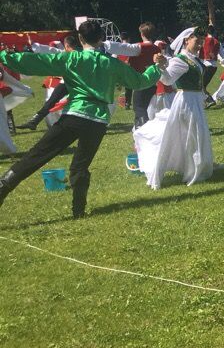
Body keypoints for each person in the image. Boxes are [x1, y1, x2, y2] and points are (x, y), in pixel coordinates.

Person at [0, 21, 162, 218]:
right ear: (102, 38)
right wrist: (156, 67)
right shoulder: (112, 64)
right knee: (80, 165)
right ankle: (78, 210)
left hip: (74, 116)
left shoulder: (72, 59)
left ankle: (3, 186)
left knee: (36, 155)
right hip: (97, 121)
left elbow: (36, 62)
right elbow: (140, 81)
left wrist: (5, 56)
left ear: (80, 38)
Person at [133, 27, 216, 190]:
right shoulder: (181, 59)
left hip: (194, 100)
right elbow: (168, 80)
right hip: (186, 102)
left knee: (194, 135)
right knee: (192, 135)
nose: (199, 45)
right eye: (196, 41)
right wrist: (161, 67)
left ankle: (195, 167)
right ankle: (193, 170)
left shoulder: (193, 59)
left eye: (201, 42)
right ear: (186, 41)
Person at [101, 22, 163, 127]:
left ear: (142, 34)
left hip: (141, 82)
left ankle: (142, 132)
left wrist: (102, 44)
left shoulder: (139, 47)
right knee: (149, 109)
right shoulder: (157, 49)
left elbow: (122, 47)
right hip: (154, 83)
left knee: (139, 109)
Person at [21, 35, 78, 130]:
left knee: (53, 103)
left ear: (66, 45)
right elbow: (51, 50)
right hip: (72, 83)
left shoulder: (65, 54)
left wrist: (34, 45)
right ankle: (34, 121)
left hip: (75, 84)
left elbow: (50, 50)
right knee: (51, 102)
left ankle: (35, 121)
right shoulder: (82, 54)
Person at [200, 25, 220, 105]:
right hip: (214, 67)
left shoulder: (204, 41)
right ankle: (205, 101)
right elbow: (223, 56)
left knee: (200, 86)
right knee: (203, 85)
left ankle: (209, 100)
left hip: (206, 65)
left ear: (207, 32)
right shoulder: (217, 42)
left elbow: (199, 53)